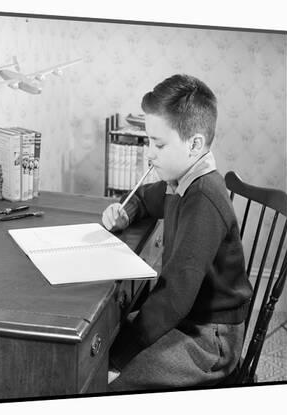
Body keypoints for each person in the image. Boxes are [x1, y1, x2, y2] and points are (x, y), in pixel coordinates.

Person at [102, 74, 253, 391]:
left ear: (195, 144)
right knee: (107, 341)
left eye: (158, 144)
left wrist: (123, 356)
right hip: (186, 316)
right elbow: (144, 198)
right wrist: (124, 212)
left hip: (210, 337)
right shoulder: (179, 181)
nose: (149, 153)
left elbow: (175, 296)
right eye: (147, 141)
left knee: (115, 382)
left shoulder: (203, 198)